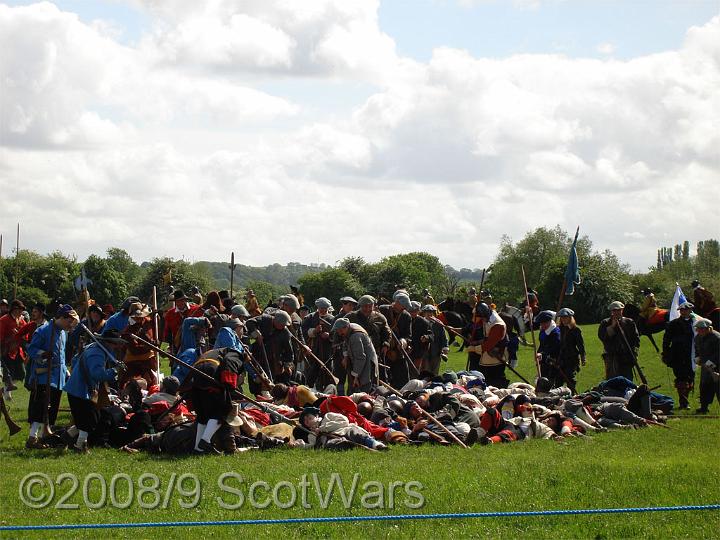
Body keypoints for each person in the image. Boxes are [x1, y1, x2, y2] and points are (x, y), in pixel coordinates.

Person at [26, 304, 79, 448]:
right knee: (40, 407)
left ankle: (45, 434)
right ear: (62, 318)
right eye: (69, 321)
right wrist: (43, 354)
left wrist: (66, 372)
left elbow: (61, 356)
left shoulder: (63, 333)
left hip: (58, 377)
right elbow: (31, 349)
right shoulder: (43, 331)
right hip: (44, 376)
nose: (70, 324)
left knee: (52, 408)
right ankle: (32, 437)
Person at [63, 330, 124, 452]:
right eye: (115, 343)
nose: (117, 346)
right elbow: (97, 374)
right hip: (80, 390)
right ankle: (80, 446)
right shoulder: (97, 353)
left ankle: (68, 436)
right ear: (109, 342)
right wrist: (115, 370)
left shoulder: (94, 348)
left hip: (81, 389)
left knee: (88, 419)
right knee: (89, 420)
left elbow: (75, 361)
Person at [464, 303, 508, 388]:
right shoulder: (488, 317)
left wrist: (474, 348)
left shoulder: (497, 325)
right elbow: (486, 337)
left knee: (495, 382)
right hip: (488, 357)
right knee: (486, 379)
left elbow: (488, 345)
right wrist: (476, 342)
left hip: (496, 356)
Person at [662, 302, 697, 409]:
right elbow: (666, 340)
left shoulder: (695, 322)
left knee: (690, 378)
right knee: (681, 379)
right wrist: (666, 353)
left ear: (690, 310)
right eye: (682, 310)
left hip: (691, 355)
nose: (683, 312)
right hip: (678, 355)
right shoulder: (673, 324)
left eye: (686, 310)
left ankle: (685, 400)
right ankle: (684, 403)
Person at [331, 318, 379, 393]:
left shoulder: (355, 337)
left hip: (366, 365)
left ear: (346, 327)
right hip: (360, 363)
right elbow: (345, 343)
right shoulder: (349, 329)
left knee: (364, 390)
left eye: (340, 331)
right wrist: (346, 357)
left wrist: (355, 376)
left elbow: (360, 358)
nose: (339, 333)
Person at [598, 301, 640, 381]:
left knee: (627, 381)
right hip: (612, 357)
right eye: (614, 310)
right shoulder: (605, 323)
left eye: (619, 310)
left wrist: (635, 353)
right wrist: (612, 327)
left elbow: (636, 339)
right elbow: (602, 337)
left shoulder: (629, 322)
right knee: (613, 382)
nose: (616, 312)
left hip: (627, 357)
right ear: (611, 311)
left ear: (622, 310)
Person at [379, 291, 413, 389]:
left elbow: (408, 335)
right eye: (403, 305)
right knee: (383, 379)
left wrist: (404, 341)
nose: (404, 308)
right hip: (383, 350)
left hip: (398, 352)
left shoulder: (406, 316)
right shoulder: (382, 310)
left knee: (402, 380)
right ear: (396, 302)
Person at [120, 303, 157, 388]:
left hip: (148, 362)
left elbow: (152, 337)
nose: (138, 319)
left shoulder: (148, 323)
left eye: (140, 317)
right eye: (136, 317)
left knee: (152, 384)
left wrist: (158, 317)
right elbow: (135, 350)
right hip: (132, 362)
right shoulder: (127, 331)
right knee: (128, 385)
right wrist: (150, 345)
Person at [302, 297, 335, 390]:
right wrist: (314, 331)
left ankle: (328, 390)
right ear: (318, 307)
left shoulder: (332, 319)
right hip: (313, 349)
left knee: (328, 371)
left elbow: (337, 334)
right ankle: (309, 390)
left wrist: (329, 335)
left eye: (325, 308)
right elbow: (303, 332)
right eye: (321, 308)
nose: (323, 310)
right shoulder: (310, 317)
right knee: (312, 371)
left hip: (328, 351)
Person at [0, 299, 29, 398]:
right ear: (14, 309)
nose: (21, 312)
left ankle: (4, 390)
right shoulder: (4, 320)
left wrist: (21, 335)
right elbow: (0, 337)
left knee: (21, 374)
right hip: (6, 351)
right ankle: (7, 392)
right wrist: (11, 338)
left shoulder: (21, 320)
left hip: (18, 351)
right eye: (20, 309)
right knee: (9, 373)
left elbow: (26, 333)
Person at [693, 318, 720, 414]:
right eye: (698, 328)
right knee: (704, 387)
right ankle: (704, 407)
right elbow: (697, 349)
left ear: (708, 328)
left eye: (702, 328)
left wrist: (710, 362)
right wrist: (697, 357)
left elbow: (718, 353)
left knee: (718, 387)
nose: (699, 330)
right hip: (705, 367)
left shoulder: (716, 337)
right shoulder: (697, 338)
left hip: (717, 366)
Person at [557, 307, 585, 393]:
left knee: (570, 378)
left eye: (565, 317)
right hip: (560, 358)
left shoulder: (576, 330)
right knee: (559, 378)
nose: (563, 319)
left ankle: (571, 395)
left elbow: (580, 345)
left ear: (570, 318)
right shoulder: (559, 329)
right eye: (562, 317)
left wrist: (583, 357)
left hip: (571, 358)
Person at [535, 310, 563, 387]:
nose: (542, 325)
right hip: (543, 360)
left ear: (549, 322)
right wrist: (538, 353)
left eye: (543, 323)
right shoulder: (543, 331)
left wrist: (542, 354)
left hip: (553, 360)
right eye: (541, 323)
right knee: (542, 379)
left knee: (549, 381)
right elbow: (542, 344)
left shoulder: (555, 333)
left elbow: (554, 348)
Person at [421, 305, 448, 376]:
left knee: (435, 372)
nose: (430, 314)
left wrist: (445, 348)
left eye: (431, 312)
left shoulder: (438, 324)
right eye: (427, 312)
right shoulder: (420, 322)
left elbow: (443, 337)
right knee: (426, 371)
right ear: (424, 313)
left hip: (436, 352)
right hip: (424, 352)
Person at [408, 301, 433, 374]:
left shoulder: (424, 322)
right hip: (406, 349)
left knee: (415, 371)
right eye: (411, 311)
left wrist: (426, 337)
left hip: (418, 350)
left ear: (418, 311)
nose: (412, 313)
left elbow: (431, 335)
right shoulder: (404, 318)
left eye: (415, 311)